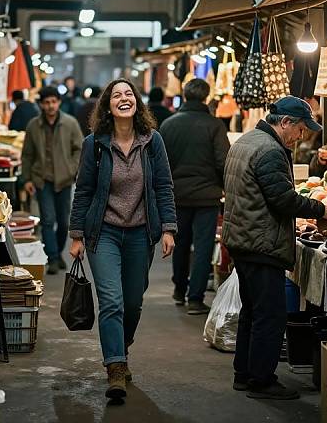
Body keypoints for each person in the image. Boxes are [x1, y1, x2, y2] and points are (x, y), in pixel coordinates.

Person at [222, 96, 327, 400]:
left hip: (243, 239)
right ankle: (261, 380)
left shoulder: (247, 140)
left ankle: (244, 373)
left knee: (253, 311)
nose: (301, 137)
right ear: (285, 123)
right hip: (261, 242)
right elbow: (283, 199)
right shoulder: (270, 151)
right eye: (300, 129)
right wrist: (321, 210)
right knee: (270, 315)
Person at [69, 78, 177, 400]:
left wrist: (169, 228)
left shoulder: (152, 141)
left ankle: (121, 346)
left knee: (132, 302)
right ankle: (115, 367)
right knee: (112, 301)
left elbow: (164, 186)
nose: (123, 98)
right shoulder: (95, 144)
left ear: (137, 103)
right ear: (108, 106)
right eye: (116, 95)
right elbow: (84, 190)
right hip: (103, 233)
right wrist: (76, 235)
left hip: (141, 233)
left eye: (128, 93)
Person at [160, 78, 230, 314]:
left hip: (176, 197)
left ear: (185, 95)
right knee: (202, 248)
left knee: (179, 244)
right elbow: (223, 162)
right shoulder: (215, 125)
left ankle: (179, 289)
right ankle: (195, 298)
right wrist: (225, 188)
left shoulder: (169, 125)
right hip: (206, 198)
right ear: (206, 97)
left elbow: (161, 163)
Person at [22, 86, 84, 274]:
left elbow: (79, 149)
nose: (50, 106)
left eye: (53, 102)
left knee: (64, 222)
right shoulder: (33, 125)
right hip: (42, 179)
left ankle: (56, 252)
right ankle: (53, 257)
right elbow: (27, 154)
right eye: (46, 102)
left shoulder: (70, 123)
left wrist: (72, 169)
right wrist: (27, 179)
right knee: (47, 220)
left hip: (64, 180)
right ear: (41, 104)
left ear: (59, 103)